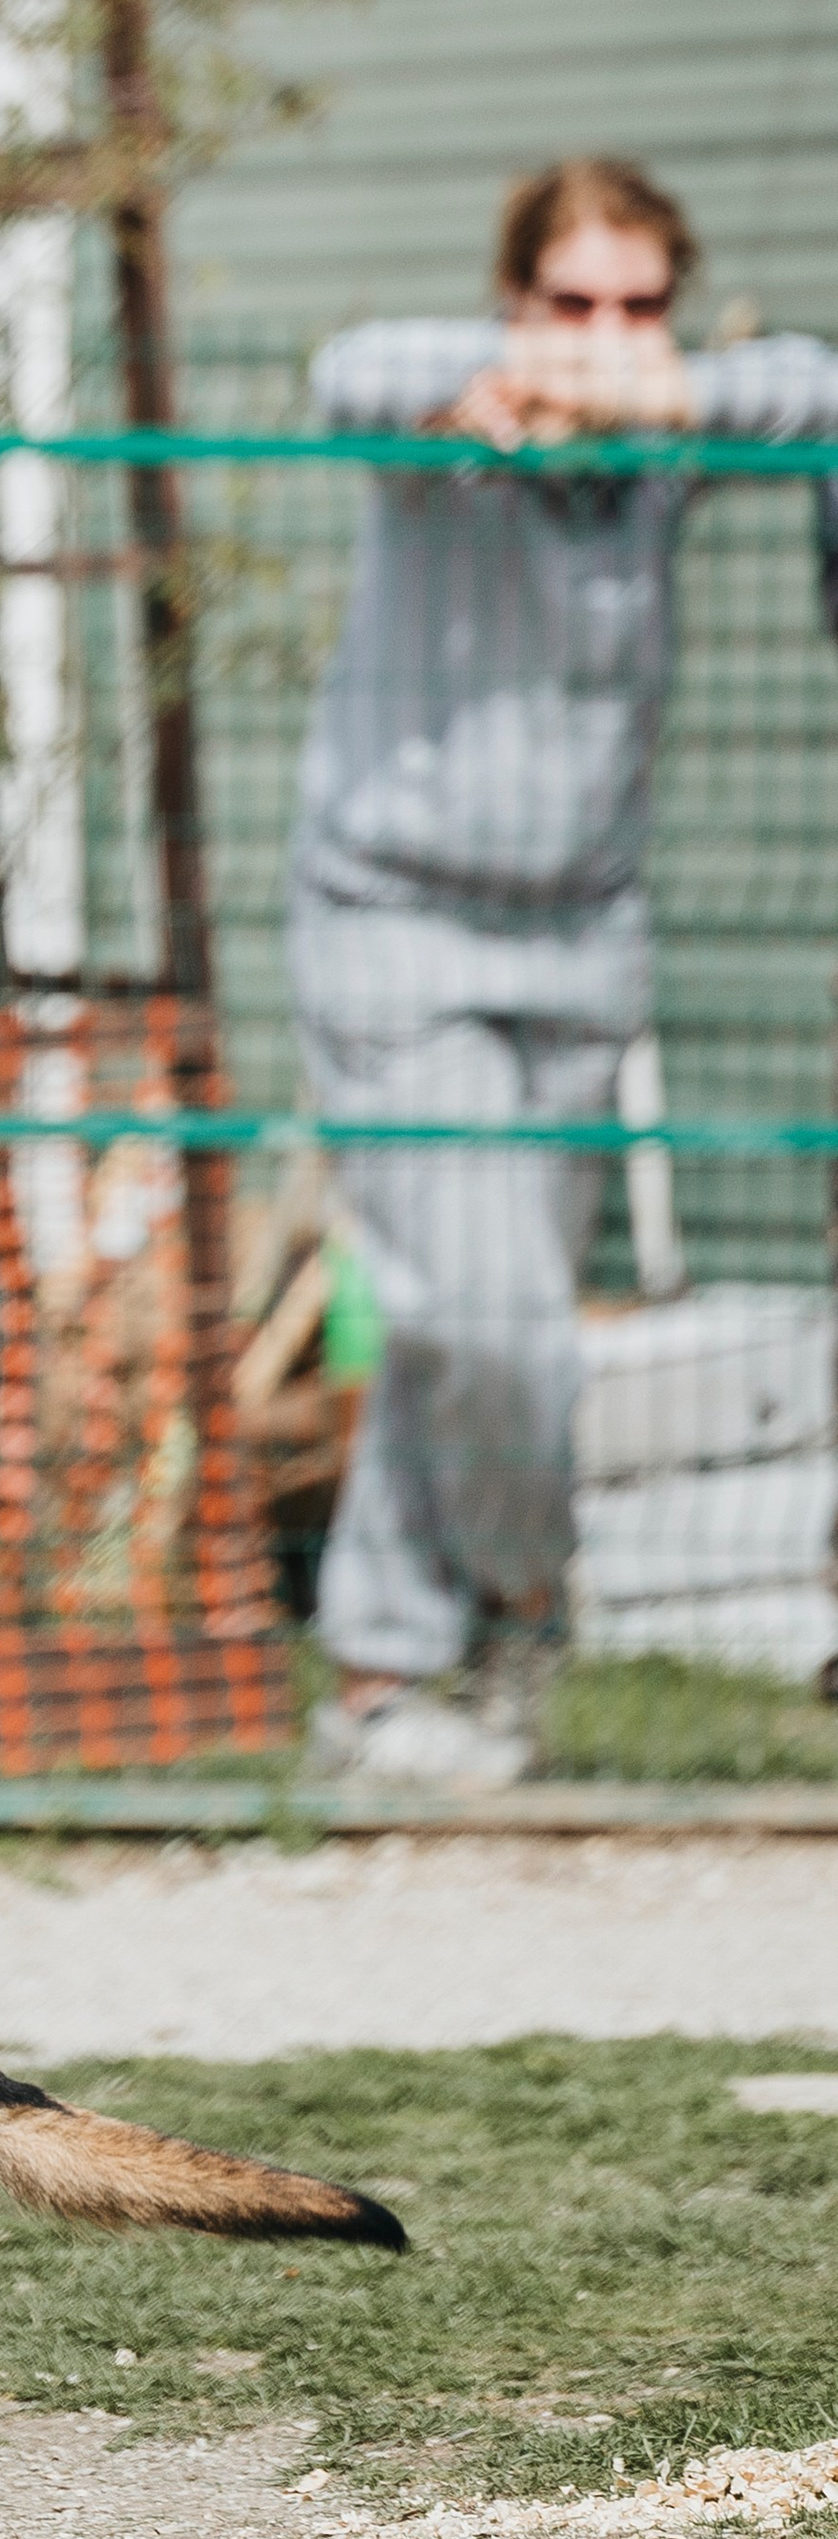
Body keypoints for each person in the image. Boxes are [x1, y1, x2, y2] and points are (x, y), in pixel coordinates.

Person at [289, 159, 838, 1785]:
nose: (605, 335)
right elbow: (343, 371)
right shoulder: (444, 410)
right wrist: (514, 380)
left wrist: (666, 394)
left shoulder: (665, 446)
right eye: (572, 301)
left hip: (583, 941)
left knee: (469, 1326)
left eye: (640, 306)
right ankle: (530, 1606)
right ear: (515, 298)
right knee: (493, 1311)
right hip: (394, 924)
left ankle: (377, 1685)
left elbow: (815, 390)